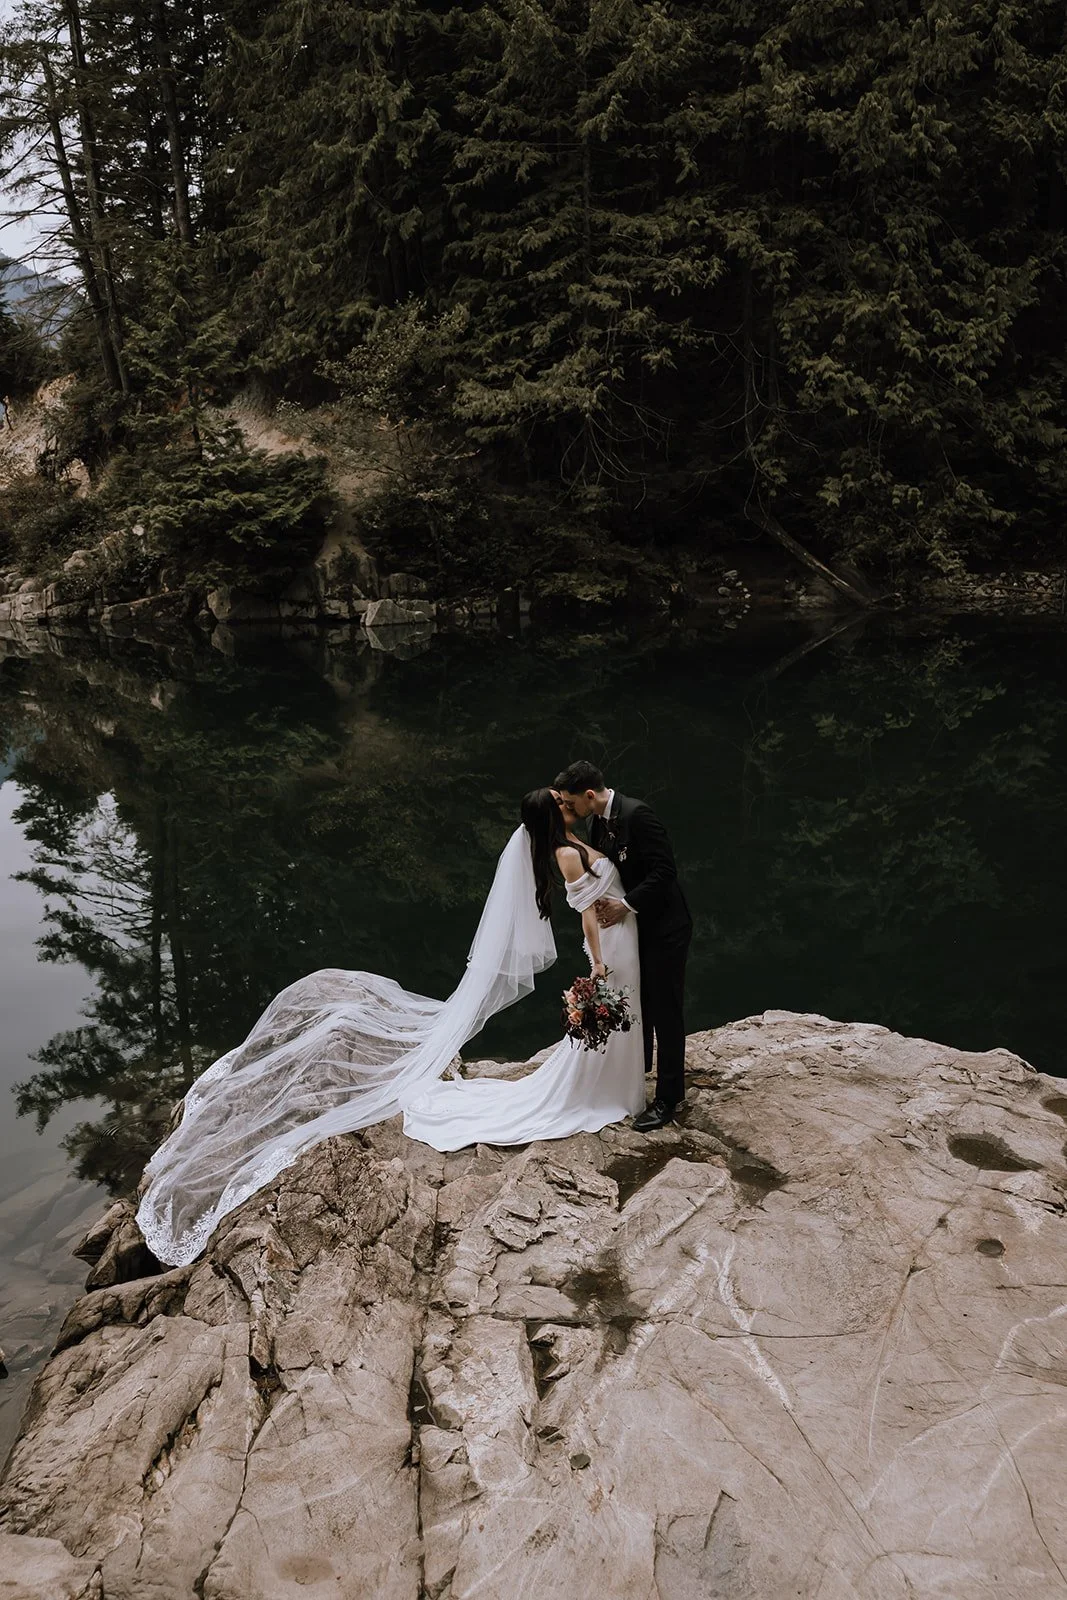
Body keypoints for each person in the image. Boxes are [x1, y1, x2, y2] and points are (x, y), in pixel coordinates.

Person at [136, 789, 644, 1268]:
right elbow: (587, 916)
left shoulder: (573, 841)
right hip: (612, 949)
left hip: (625, 939)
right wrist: (596, 965)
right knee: (612, 1023)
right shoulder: (568, 854)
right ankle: (603, 1088)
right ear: (554, 817)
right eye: (559, 802)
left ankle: (613, 1082)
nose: (566, 802)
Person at [554, 761, 692, 1130]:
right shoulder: (597, 822)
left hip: (664, 926)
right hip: (631, 930)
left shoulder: (638, 815)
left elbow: (665, 872)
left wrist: (625, 904)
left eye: (571, 803)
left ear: (588, 796)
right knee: (638, 1001)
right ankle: (638, 1074)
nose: (570, 810)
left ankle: (667, 1099)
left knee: (665, 1008)